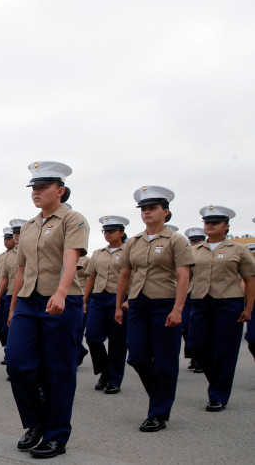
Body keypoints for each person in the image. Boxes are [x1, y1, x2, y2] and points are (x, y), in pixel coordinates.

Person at [7, 161, 88, 458]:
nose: (36, 193)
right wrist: (14, 306)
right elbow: (21, 270)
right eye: (34, 188)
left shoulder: (73, 220)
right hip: (29, 301)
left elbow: (71, 260)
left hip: (61, 302)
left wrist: (62, 292)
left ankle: (57, 435)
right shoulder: (28, 226)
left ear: (61, 190)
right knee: (17, 362)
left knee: (58, 370)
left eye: (43, 188)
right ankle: (37, 421)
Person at [115, 185, 194, 433]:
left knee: (164, 361)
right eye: (144, 209)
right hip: (138, 304)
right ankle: (160, 395)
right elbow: (125, 275)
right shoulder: (134, 242)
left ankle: (158, 413)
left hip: (165, 304)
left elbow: (183, 277)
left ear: (165, 212)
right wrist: (119, 305)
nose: (147, 212)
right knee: (137, 356)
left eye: (152, 208)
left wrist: (178, 309)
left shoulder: (176, 241)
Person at [188, 205, 255, 411]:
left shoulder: (239, 249)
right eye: (207, 222)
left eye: (215, 222)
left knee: (224, 351)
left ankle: (218, 395)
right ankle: (216, 380)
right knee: (196, 347)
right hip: (200, 302)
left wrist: (248, 308)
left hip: (228, 302)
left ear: (226, 226)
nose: (209, 225)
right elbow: (185, 278)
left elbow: (250, 279)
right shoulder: (193, 250)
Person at [82, 215, 129, 394]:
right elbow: (91, 277)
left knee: (117, 342)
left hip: (119, 299)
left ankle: (114, 379)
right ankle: (105, 370)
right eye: (105, 231)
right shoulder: (98, 253)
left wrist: (129, 300)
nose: (107, 234)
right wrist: (85, 300)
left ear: (122, 233)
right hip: (98, 298)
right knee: (92, 336)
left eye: (111, 231)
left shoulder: (129, 251)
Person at [0, 219, 26, 366]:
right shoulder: (6, 255)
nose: (15, 236)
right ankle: (11, 351)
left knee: (15, 329)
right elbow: (3, 277)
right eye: (14, 233)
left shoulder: (28, 250)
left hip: (25, 295)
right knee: (0, 324)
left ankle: (14, 355)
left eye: (18, 233)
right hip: (10, 293)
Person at [183, 226, 207, 373]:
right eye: (192, 241)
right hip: (188, 294)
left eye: (197, 240)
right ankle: (194, 354)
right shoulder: (187, 253)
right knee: (186, 328)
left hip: (203, 294)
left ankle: (200, 359)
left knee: (200, 329)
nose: (194, 243)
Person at [0, 226, 15, 360]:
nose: (6, 241)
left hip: (13, 292)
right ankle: (8, 346)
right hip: (1, 292)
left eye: (9, 238)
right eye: (5, 238)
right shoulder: (1, 257)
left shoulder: (19, 254)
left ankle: (10, 352)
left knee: (8, 326)